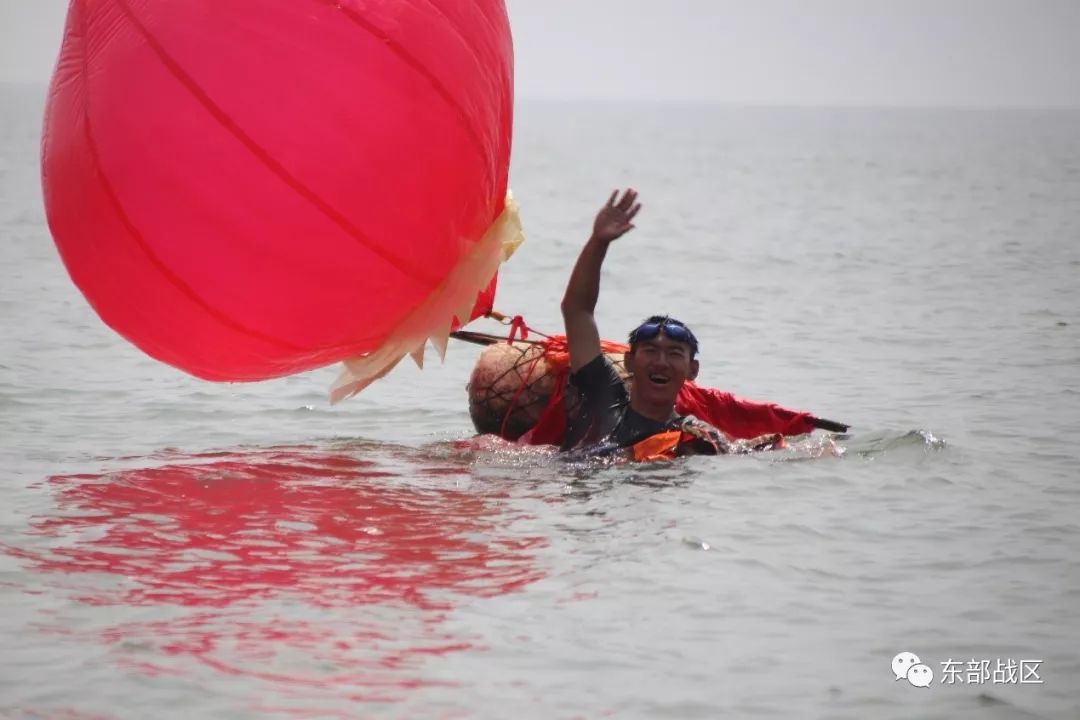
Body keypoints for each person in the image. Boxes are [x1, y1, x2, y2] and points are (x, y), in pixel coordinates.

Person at [560, 188, 780, 460]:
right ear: (629, 361)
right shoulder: (604, 398)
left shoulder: (694, 436)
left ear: (692, 370)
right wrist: (598, 242)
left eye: (674, 353)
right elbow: (577, 311)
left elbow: (737, 457)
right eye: (650, 350)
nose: (661, 362)